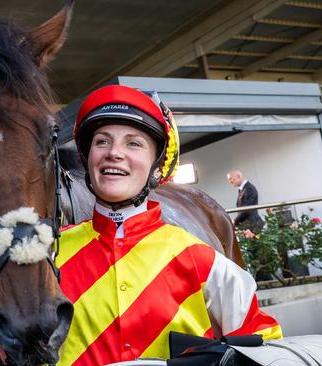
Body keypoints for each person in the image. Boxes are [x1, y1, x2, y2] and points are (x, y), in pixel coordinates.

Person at [54, 85, 282, 365]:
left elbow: (265, 347)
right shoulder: (49, 254)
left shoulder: (203, 260)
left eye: (133, 143)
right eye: (101, 141)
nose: (114, 152)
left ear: (157, 166)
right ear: (85, 159)